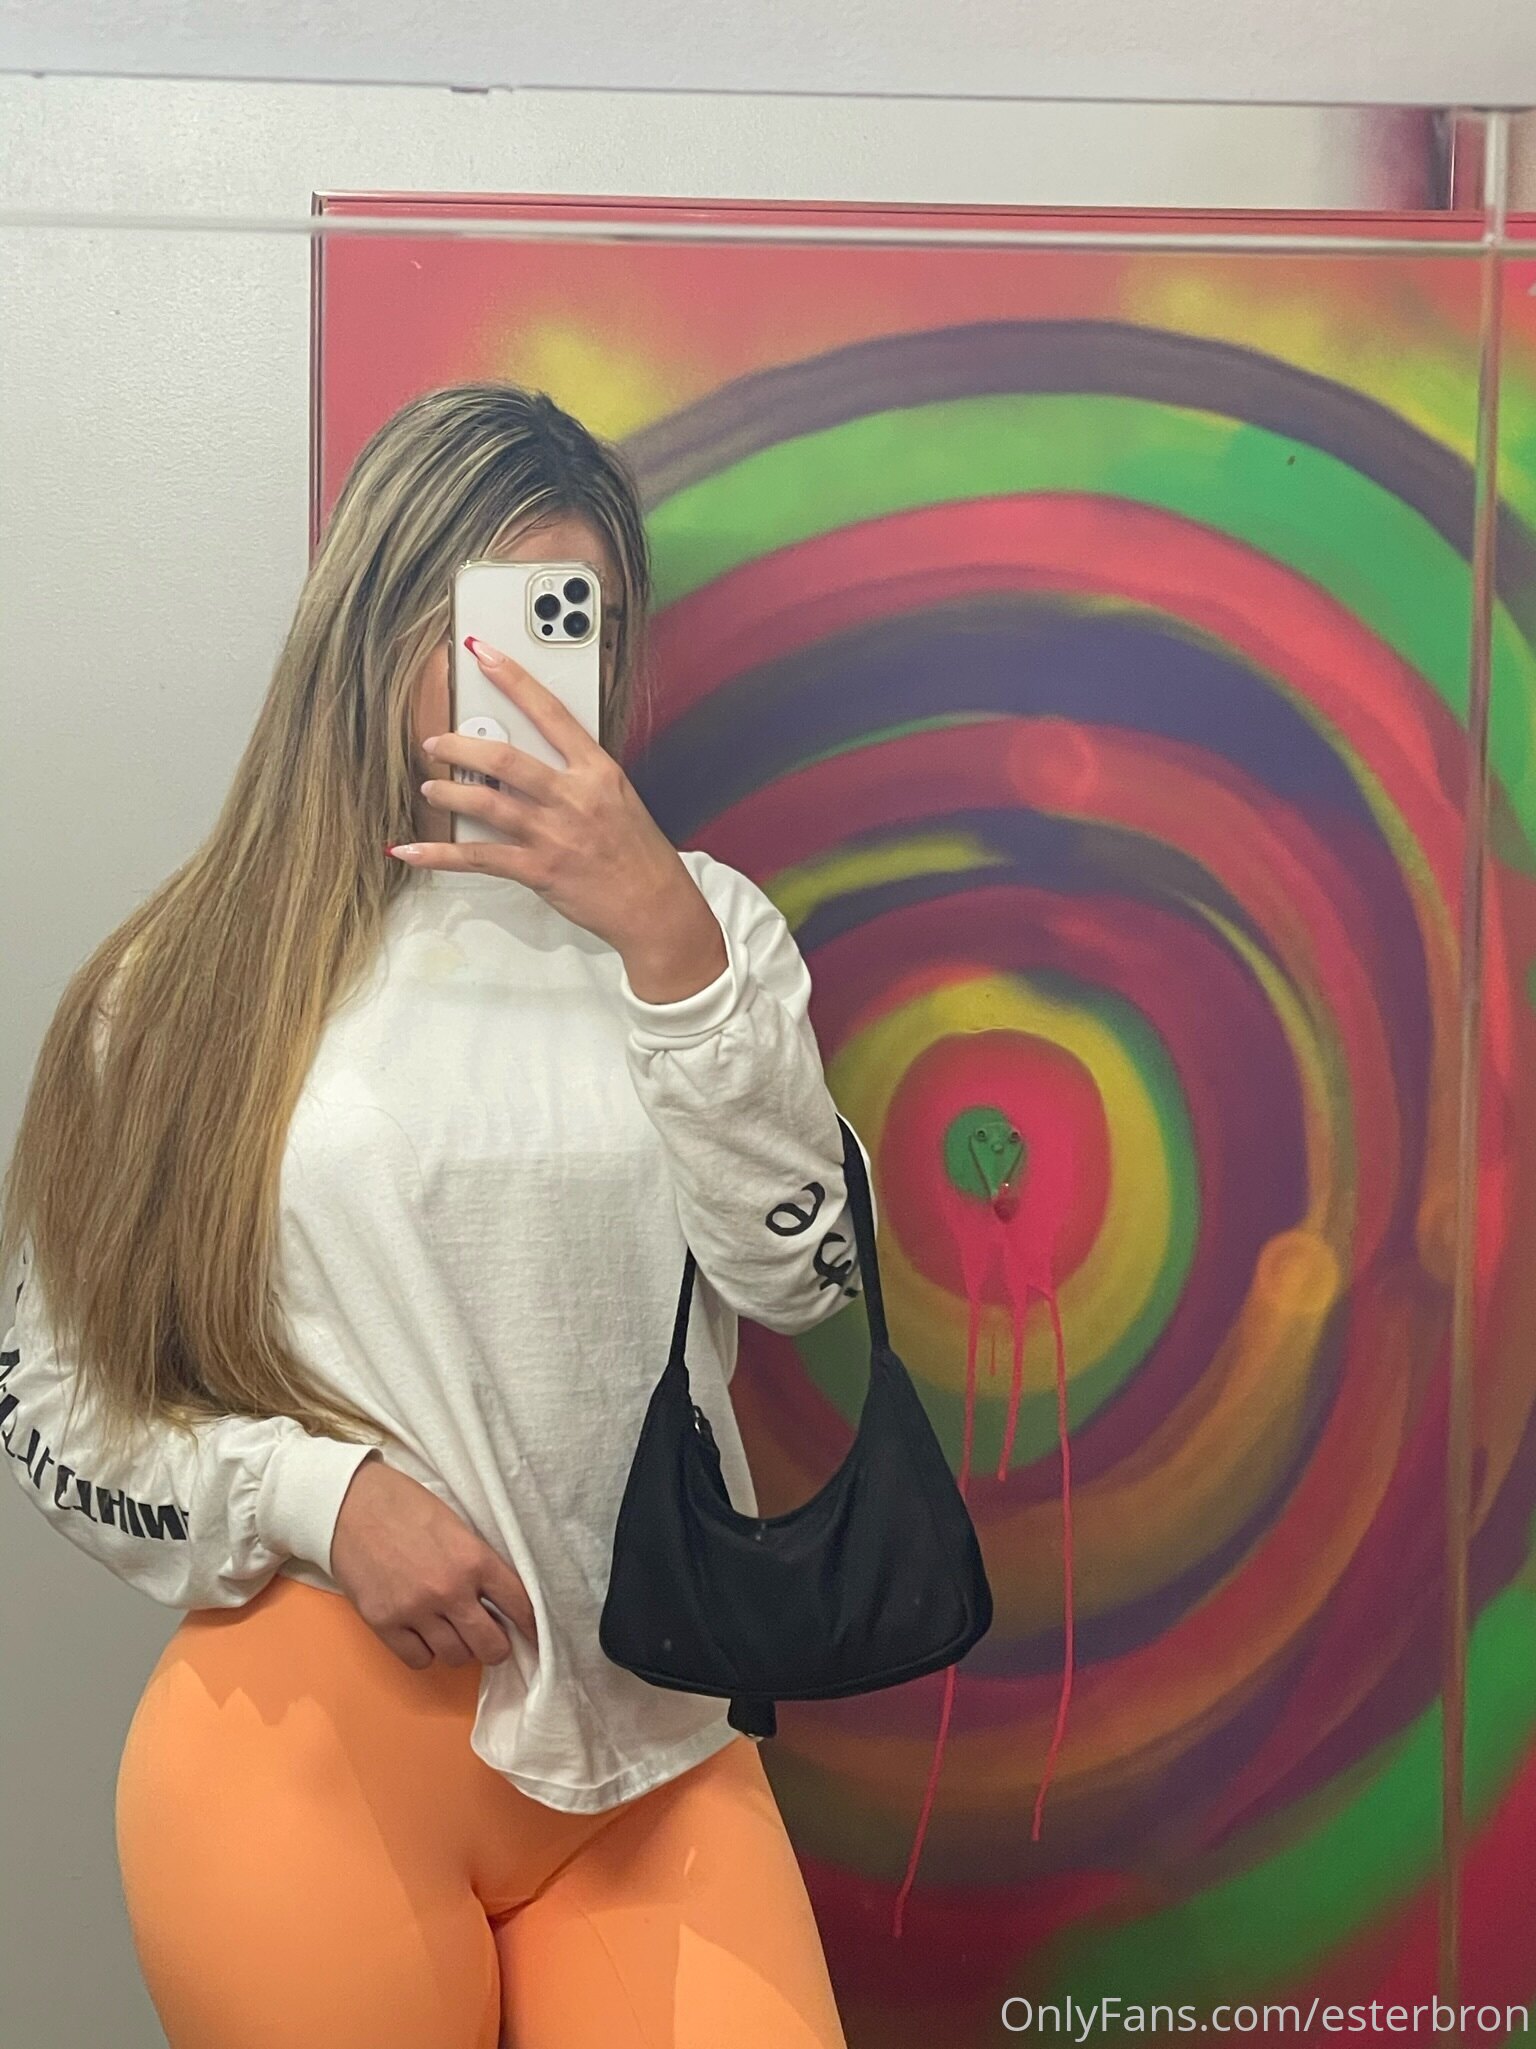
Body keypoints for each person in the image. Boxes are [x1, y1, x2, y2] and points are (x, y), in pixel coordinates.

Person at [0, 383, 858, 2049]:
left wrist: (667, 950)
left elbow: (804, 1272)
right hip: (312, 1752)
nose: (526, 674)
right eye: (489, 615)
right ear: (376, 620)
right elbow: (49, 1399)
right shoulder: (186, 984)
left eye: (572, 621)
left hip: (655, 1748)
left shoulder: (706, 936)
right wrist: (322, 1498)